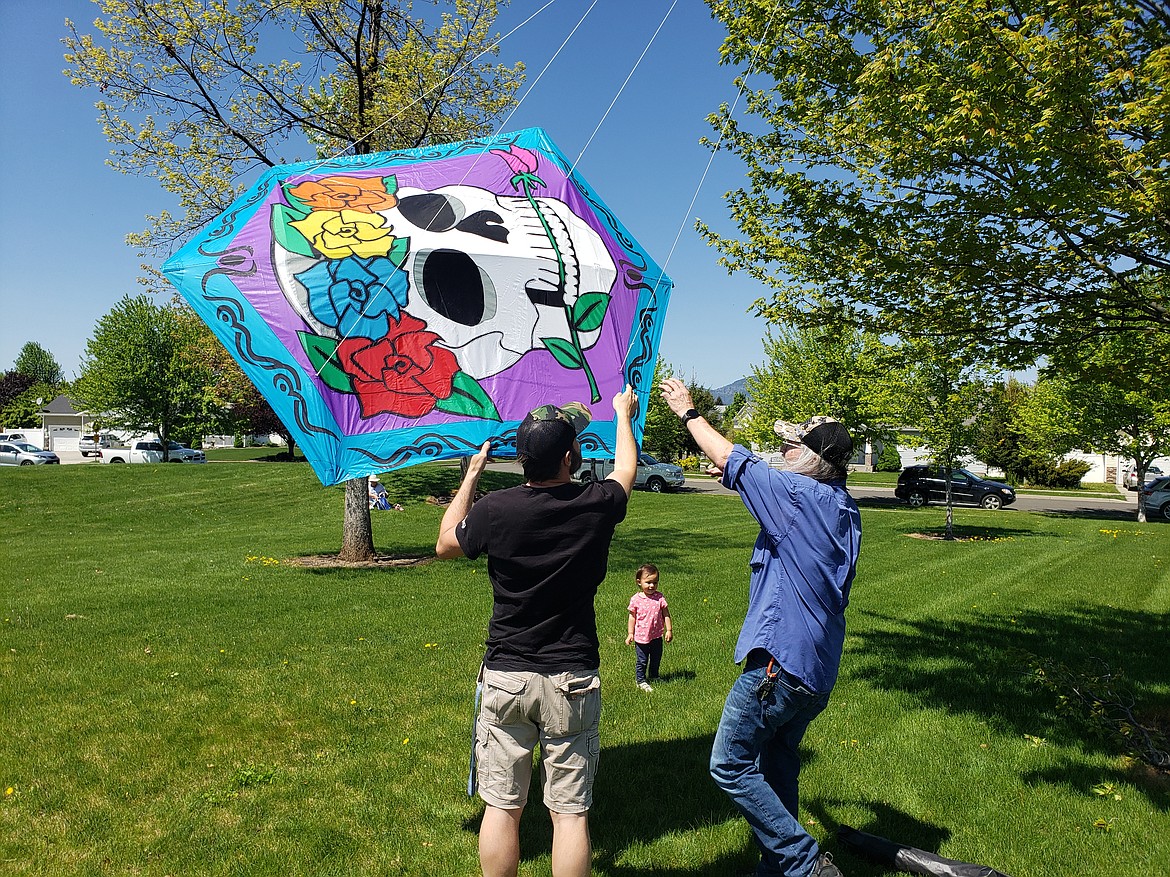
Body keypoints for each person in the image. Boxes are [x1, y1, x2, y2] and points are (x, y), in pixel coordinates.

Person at [660, 377, 861, 877]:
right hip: (815, 673)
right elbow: (747, 475)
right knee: (777, 764)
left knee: (729, 764)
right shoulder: (841, 507)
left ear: (813, 460)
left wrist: (687, 411)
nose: (784, 450)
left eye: (792, 445)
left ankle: (804, 862)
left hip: (778, 665)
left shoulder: (798, 496)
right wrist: (738, 475)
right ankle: (778, 871)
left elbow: (734, 457)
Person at [435, 386, 639, 877]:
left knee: (502, 807)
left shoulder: (495, 509)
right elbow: (626, 470)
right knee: (569, 813)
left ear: (521, 459)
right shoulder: (596, 504)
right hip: (570, 678)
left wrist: (471, 478)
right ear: (572, 456)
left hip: (506, 675)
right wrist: (622, 415)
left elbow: (445, 543)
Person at [625, 562, 672, 692]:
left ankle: (654, 675)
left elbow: (666, 614)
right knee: (642, 660)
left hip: (656, 635)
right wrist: (630, 633)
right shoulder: (636, 599)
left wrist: (669, 630)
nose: (652, 585)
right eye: (648, 582)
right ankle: (640, 680)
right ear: (639, 582)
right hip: (641, 637)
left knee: (656, 657)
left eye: (655, 582)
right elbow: (632, 617)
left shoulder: (660, 597)